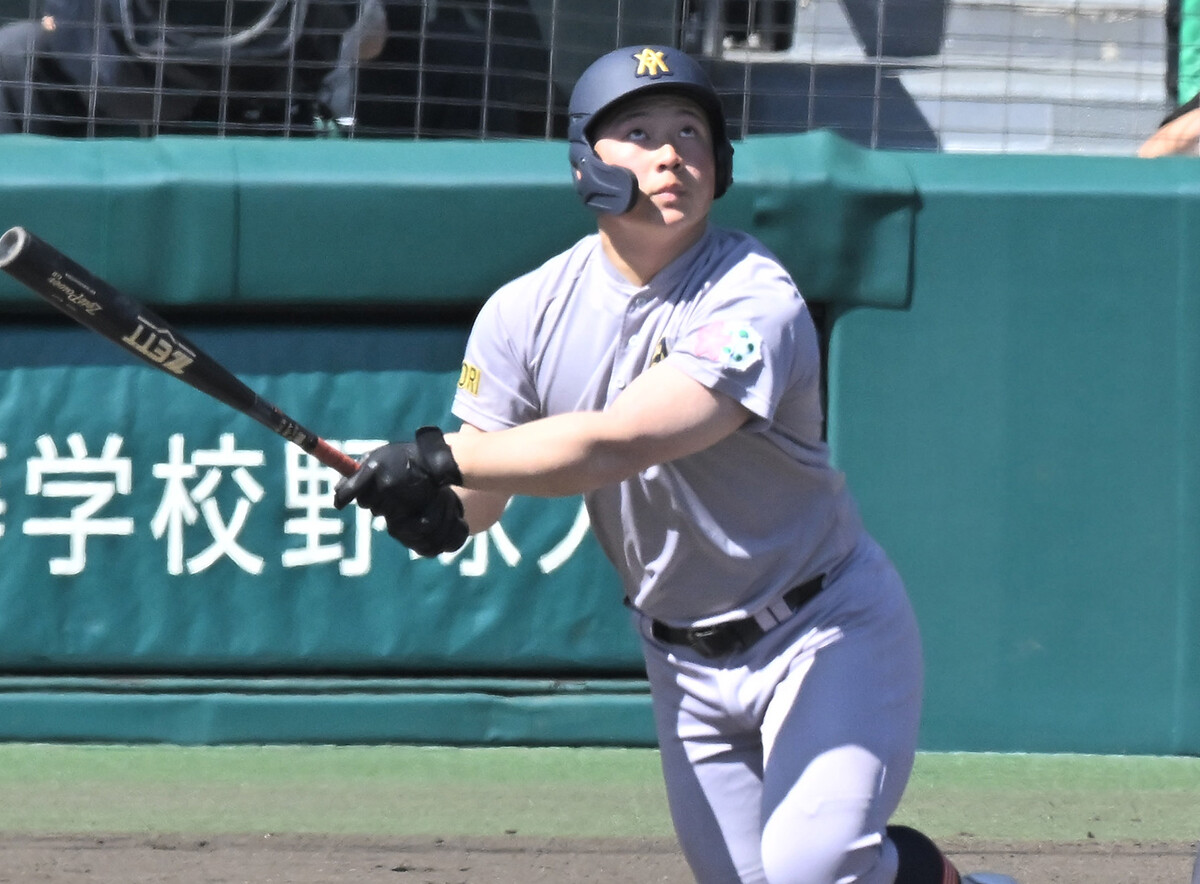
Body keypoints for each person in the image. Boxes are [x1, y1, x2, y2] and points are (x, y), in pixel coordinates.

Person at [334, 43, 1018, 884]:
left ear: (721, 162)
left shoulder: (753, 297)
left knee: (811, 870)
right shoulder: (522, 312)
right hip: (683, 664)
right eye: (638, 131)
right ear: (587, 160)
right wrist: (436, 510)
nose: (670, 153)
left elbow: (617, 441)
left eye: (691, 131)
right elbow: (480, 494)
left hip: (821, 630)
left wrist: (435, 457)